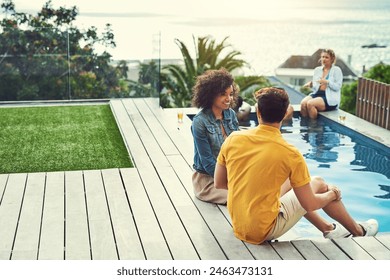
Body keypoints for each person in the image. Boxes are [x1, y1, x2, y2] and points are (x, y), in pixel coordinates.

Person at [214, 87, 378, 244]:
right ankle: (358, 231)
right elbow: (310, 204)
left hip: (238, 223)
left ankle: (329, 229)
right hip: (263, 230)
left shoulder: (233, 139)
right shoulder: (290, 153)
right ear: (285, 114)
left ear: (258, 112)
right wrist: (333, 195)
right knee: (319, 183)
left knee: (297, 185)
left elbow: (219, 183)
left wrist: (253, 189)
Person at [191, 68, 239, 204]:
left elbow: (238, 149)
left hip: (230, 174)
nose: (228, 99)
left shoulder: (230, 115)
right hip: (207, 181)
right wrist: (231, 180)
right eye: (223, 94)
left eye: (230, 94)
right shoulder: (200, 122)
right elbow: (207, 162)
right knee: (241, 197)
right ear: (211, 95)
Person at [300, 49, 343, 119]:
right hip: (317, 94)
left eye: (326, 57)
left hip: (329, 98)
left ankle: (313, 126)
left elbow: (338, 87)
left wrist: (327, 82)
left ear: (332, 59)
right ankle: (305, 125)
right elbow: (315, 86)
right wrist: (311, 84)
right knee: (303, 103)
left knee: (310, 104)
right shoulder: (317, 70)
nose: (324, 59)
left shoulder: (337, 70)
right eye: (322, 57)